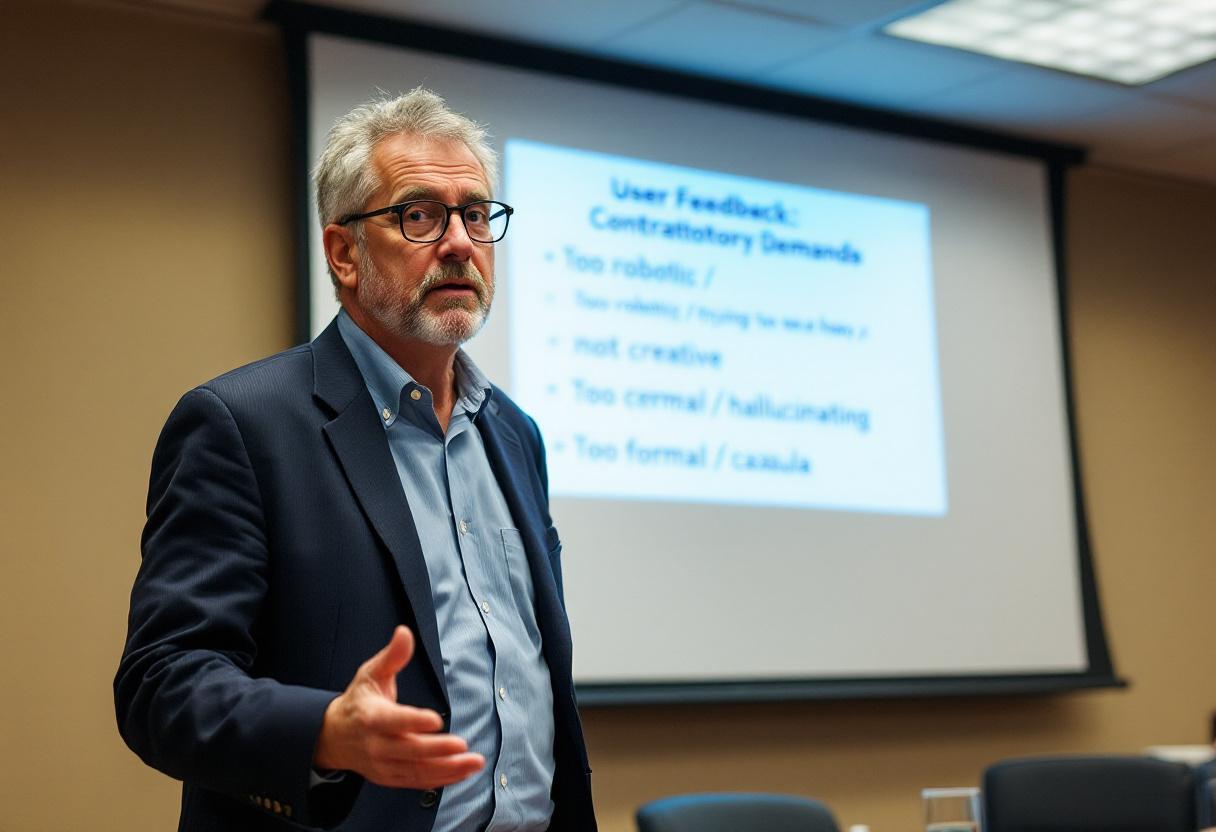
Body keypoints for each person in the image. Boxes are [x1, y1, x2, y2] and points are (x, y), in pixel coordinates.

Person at [115, 88, 596, 832]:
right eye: (419, 214)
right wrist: (324, 732)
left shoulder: (514, 435)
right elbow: (163, 685)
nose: (461, 242)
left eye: (475, 214)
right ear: (344, 253)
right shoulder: (242, 425)